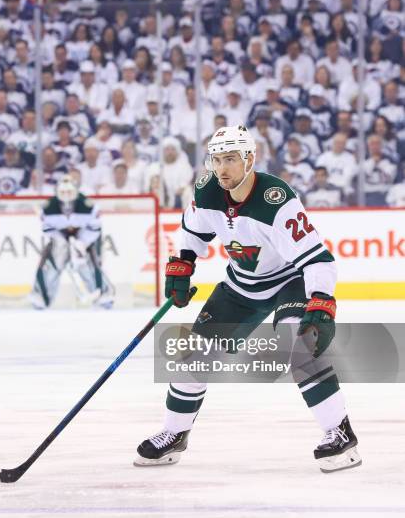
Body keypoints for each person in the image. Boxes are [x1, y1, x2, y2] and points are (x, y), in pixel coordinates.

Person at [135, 125, 361, 473]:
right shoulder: (208, 188)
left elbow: (317, 260)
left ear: (250, 159)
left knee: (299, 346)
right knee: (194, 355)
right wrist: (182, 265)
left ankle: (339, 433)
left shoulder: (277, 200)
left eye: (230, 159)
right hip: (242, 284)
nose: (222, 168)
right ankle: (174, 433)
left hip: (290, 280)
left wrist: (321, 304)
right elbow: (193, 231)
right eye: (216, 159)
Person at [31, 174, 114, 310]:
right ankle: (42, 296)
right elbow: (47, 228)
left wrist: (82, 242)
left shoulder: (88, 205)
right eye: (63, 192)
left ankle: (103, 295)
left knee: (87, 263)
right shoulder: (48, 207)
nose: (66, 196)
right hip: (60, 236)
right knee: (54, 261)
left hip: (84, 236)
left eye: (69, 192)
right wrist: (60, 240)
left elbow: (95, 227)